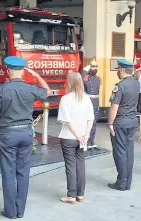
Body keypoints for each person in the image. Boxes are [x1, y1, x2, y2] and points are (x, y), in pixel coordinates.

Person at [0, 56, 51, 219]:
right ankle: (20, 210)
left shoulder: (2, 90)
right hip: (26, 133)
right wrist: (36, 75)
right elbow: (48, 92)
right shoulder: (30, 88)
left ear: (8, 71)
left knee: (8, 172)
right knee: (23, 172)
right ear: (23, 72)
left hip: (8, 134)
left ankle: (10, 212)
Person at [57, 72, 94, 204]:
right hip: (83, 138)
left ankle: (71, 195)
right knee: (81, 165)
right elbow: (91, 118)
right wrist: (86, 135)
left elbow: (67, 120)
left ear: (69, 82)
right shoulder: (86, 98)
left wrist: (77, 135)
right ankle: (80, 194)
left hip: (69, 137)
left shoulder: (65, 99)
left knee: (70, 166)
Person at [107, 59, 140, 191]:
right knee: (129, 151)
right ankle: (127, 182)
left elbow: (114, 107)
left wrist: (110, 123)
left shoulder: (119, 85)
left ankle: (121, 182)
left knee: (119, 151)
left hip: (120, 121)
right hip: (132, 120)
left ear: (121, 70)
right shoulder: (137, 83)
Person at [81, 58, 101, 149]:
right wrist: (84, 71)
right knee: (86, 122)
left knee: (94, 122)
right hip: (88, 101)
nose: (95, 69)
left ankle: (92, 141)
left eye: (96, 67)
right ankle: (86, 141)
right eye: (93, 67)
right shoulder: (86, 78)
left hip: (95, 102)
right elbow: (80, 80)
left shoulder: (98, 78)